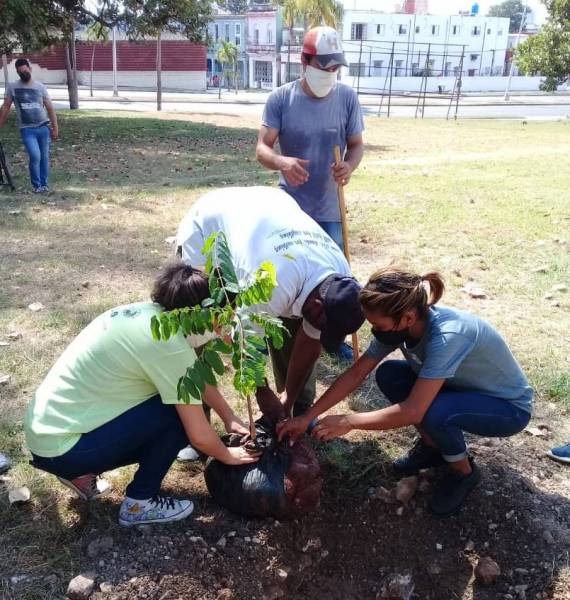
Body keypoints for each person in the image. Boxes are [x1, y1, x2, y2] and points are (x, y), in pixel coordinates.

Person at [278, 268, 533, 517]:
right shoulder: (397, 326)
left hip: (507, 407)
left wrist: (348, 421)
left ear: (408, 318)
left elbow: (413, 411)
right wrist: (306, 416)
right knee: (390, 375)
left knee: (433, 411)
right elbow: (357, 373)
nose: (374, 330)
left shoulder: (447, 336)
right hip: (459, 388)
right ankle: (434, 449)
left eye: (378, 324)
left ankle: (463, 473)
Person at [25, 262, 258, 526]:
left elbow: (192, 374)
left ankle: (79, 471)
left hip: (48, 437)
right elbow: (199, 435)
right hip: (62, 447)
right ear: (202, 313)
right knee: (177, 416)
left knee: (174, 403)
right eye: (224, 312)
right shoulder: (169, 346)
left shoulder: (152, 316)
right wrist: (227, 455)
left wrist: (228, 416)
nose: (229, 318)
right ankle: (139, 503)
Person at [176, 186, 364, 422]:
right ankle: (198, 422)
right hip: (209, 225)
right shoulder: (271, 286)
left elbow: (309, 342)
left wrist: (288, 400)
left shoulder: (340, 279)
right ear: (317, 306)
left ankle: (299, 408)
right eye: (324, 326)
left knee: (291, 326)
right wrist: (262, 392)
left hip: (269, 213)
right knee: (201, 323)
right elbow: (242, 343)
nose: (320, 331)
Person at [256, 26, 364, 361]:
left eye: (335, 68)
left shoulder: (347, 98)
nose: (330, 74)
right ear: (305, 61)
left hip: (331, 208)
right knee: (282, 278)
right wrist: (282, 162)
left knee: (336, 282)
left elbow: (357, 145)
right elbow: (262, 149)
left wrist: (349, 165)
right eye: (323, 67)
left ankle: (335, 338)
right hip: (289, 209)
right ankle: (273, 336)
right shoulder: (281, 98)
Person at [0, 58, 58, 193]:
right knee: (35, 155)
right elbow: (6, 107)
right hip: (27, 129)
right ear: (17, 73)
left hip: (43, 127)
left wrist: (55, 127)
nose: (23, 74)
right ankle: (36, 185)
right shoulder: (12, 87)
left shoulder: (40, 87)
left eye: (25, 71)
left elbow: (49, 107)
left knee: (44, 157)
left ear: (30, 69)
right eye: (20, 73)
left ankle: (44, 184)